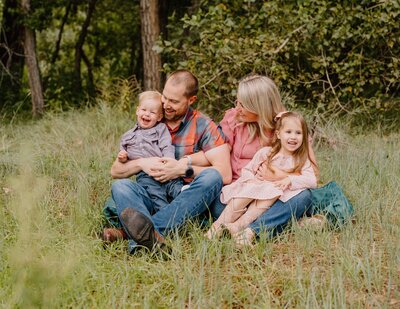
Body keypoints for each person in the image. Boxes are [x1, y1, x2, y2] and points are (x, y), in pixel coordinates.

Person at [103, 69, 232, 252]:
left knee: (212, 176)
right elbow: (116, 171)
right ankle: (151, 235)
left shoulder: (204, 126)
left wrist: (181, 169)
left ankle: (136, 237)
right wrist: (141, 163)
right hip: (152, 193)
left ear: (191, 100)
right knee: (121, 187)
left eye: (174, 101)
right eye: (165, 97)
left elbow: (224, 174)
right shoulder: (152, 117)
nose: (166, 105)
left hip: (186, 197)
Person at [207, 74, 319, 246]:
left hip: (276, 193)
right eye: (237, 102)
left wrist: (277, 175)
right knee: (218, 207)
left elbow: (313, 175)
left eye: (243, 104)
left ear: (259, 106)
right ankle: (282, 223)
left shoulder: (289, 128)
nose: (237, 108)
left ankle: (249, 232)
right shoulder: (233, 118)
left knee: (304, 197)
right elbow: (215, 154)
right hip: (240, 193)